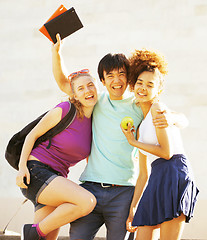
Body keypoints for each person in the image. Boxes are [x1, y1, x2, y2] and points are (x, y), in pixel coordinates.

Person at [52, 34, 189, 240]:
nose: (116, 80)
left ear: (129, 77)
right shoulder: (96, 100)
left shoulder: (139, 103)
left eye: (121, 74)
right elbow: (65, 84)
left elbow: (177, 117)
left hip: (124, 192)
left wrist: (173, 117)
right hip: (91, 188)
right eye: (110, 76)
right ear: (102, 80)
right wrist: (56, 53)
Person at [121, 49, 199, 240]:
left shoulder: (158, 108)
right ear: (133, 84)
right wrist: (133, 208)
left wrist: (133, 142)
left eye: (150, 85)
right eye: (139, 82)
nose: (143, 88)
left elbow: (166, 152)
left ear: (158, 90)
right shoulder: (139, 127)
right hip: (156, 176)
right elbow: (143, 174)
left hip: (174, 172)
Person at [16, 69, 98, 240]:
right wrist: (22, 167)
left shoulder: (95, 122)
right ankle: (31, 232)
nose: (87, 90)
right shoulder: (66, 109)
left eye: (91, 85)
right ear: (74, 95)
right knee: (87, 201)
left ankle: (34, 233)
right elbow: (33, 135)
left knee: (47, 237)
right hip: (36, 172)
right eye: (81, 88)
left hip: (56, 179)